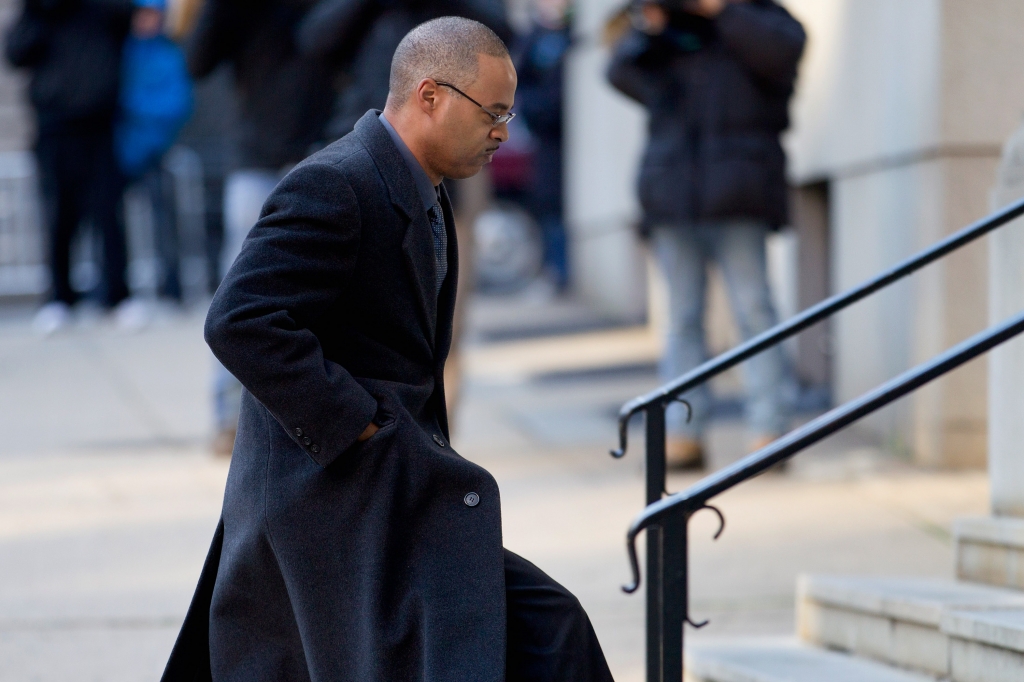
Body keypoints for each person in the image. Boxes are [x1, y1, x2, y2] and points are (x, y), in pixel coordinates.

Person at [161, 17, 614, 682]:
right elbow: (241, 320)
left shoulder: (422, 188)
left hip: (394, 492)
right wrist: (359, 423)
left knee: (549, 629)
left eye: (508, 113)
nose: (503, 131)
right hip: (330, 506)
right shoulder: (336, 182)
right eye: (491, 111)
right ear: (430, 95)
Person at [607, 0, 805, 469]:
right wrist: (650, 29)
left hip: (738, 190)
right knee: (681, 318)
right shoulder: (668, 30)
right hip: (673, 191)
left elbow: (783, 55)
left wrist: (722, 10)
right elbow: (621, 73)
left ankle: (770, 428)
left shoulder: (764, 20)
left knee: (754, 309)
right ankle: (684, 432)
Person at [184, 0, 337, 454]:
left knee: (330, 299)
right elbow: (196, 60)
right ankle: (230, 417)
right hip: (258, 160)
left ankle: (313, 416)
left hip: (328, 155)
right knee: (240, 294)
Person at [5, 0, 133, 334]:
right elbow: (16, 53)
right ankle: (60, 299)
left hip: (100, 124)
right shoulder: (38, 12)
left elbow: (131, 19)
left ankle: (118, 297)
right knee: (58, 214)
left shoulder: (102, 9)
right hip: (54, 126)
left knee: (108, 213)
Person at [116, 0, 194, 302]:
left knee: (165, 223)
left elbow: (178, 102)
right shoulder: (124, 51)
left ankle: (171, 286)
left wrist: (135, 112)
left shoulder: (169, 55)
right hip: (122, 148)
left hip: (157, 150)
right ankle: (119, 290)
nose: (146, 22)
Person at [512, 0, 571, 291]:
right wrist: (540, 113)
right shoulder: (532, 40)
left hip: (572, 137)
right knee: (550, 206)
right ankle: (556, 272)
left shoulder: (574, 33)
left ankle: (564, 272)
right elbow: (520, 87)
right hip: (547, 138)